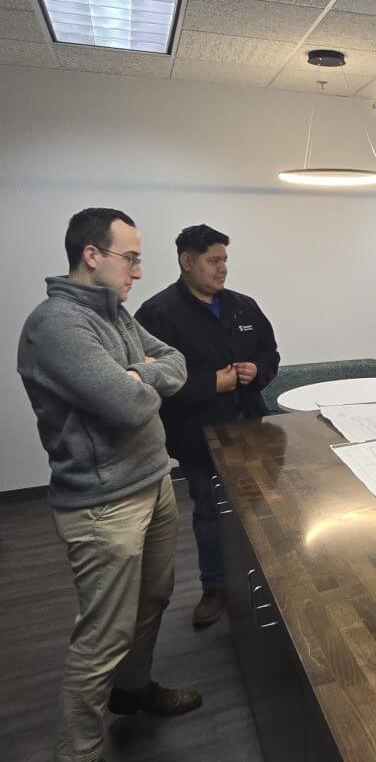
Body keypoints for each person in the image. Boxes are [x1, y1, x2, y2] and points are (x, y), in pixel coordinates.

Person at [18, 208, 200, 762]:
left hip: (153, 481)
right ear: (91, 255)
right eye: (131, 258)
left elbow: (175, 362)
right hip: (104, 504)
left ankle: (133, 691)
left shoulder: (116, 314)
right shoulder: (58, 325)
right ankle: (79, 751)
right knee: (102, 637)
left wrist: (139, 372)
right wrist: (142, 381)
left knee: (152, 601)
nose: (138, 272)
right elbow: (125, 406)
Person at [136, 224, 280, 627]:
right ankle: (215, 588)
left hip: (250, 424)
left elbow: (271, 352)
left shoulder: (243, 307)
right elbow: (146, 381)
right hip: (200, 434)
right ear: (187, 261)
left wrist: (258, 370)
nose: (222, 270)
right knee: (210, 511)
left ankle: (266, 580)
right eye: (213, 261)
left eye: (225, 261)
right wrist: (210, 383)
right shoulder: (156, 315)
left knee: (261, 508)